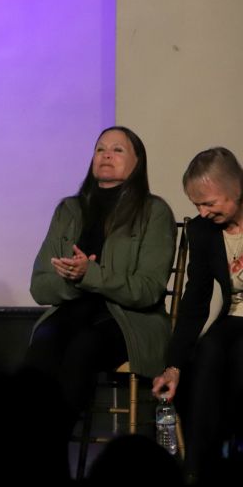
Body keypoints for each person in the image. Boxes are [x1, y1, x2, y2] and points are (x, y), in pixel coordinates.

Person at [26, 126, 175, 427]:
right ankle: (34, 442)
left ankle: (52, 438)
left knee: (84, 347)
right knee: (43, 341)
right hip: (74, 310)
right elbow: (40, 286)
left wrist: (90, 275)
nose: (106, 154)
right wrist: (72, 280)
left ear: (138, 162)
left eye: (118, 150)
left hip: (128, 319)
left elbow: (148, 290)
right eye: (100, 149)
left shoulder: (153, 212)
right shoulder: (69, 210)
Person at [152, 147, 243, 479]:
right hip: (233, 319)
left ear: (236, 189)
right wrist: (174, 365)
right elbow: (196, 301)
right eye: (197, 205)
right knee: (205, 356)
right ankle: (197, 472)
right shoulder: (204, 231)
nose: (203, 212)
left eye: (210, 203)